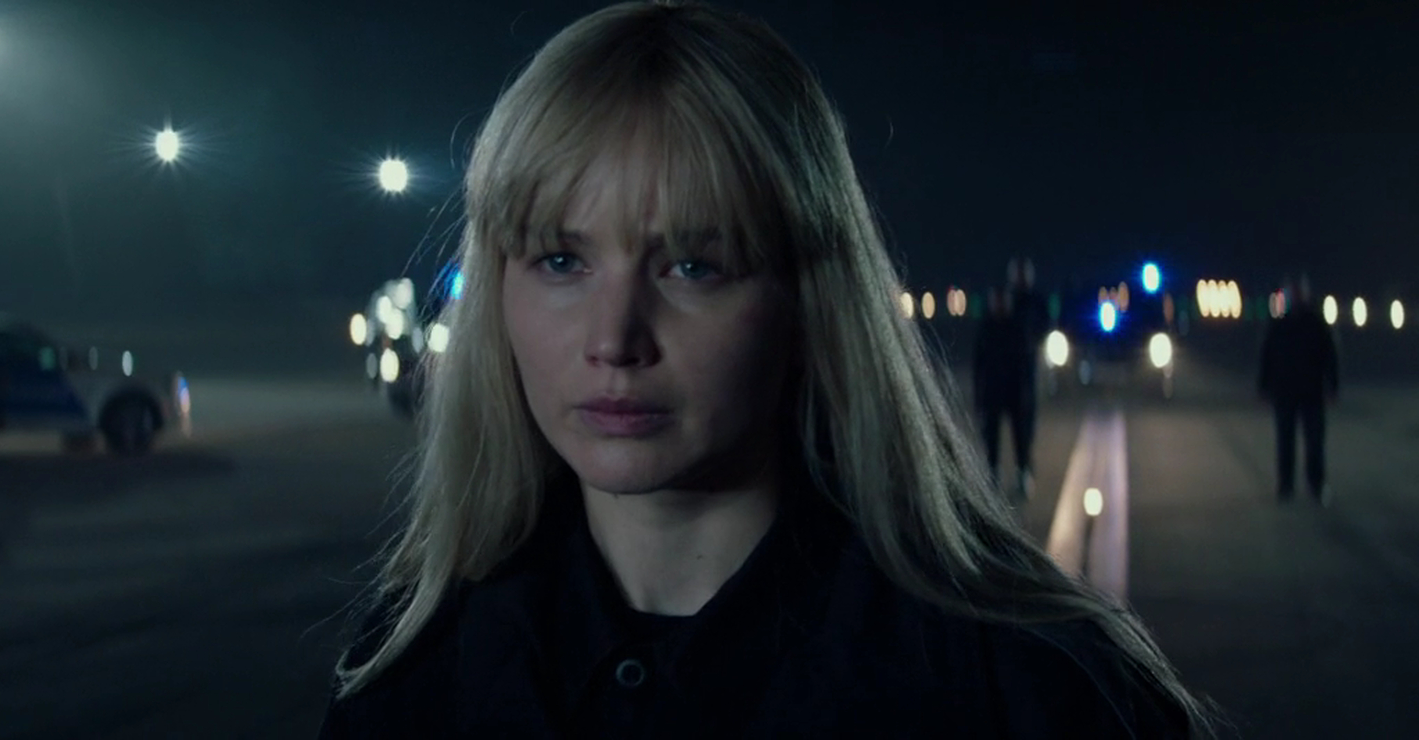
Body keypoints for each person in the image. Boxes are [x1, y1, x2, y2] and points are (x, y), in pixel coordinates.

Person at [320, 3, 1222, 737]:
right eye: (562, 261)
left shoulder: (1038, 692)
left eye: (693, 266)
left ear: (810, 298)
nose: (615, 339)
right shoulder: (408, 684)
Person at [1258, 275, 1339, 505]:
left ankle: (1314, 484)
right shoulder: (1281, 325)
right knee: (1287, 442)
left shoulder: (1315, 324)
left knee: (1313, 442)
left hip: (1309, 391)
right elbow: (1267, 357)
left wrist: (1332, 385)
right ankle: (1287, 485)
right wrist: (1263, 386)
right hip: (1288, 392)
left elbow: (1329, 356)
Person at [972, 285, 1039, 500]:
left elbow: (1026, 365)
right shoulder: (987, 328)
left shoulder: (1017, 329)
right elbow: (978, 366)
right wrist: (978, 396)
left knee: (1020, 436)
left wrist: (1027, 392)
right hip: (993, 392)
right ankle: (993, 473)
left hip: (1015, 392)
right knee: (991, 436)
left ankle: (1022, 472)